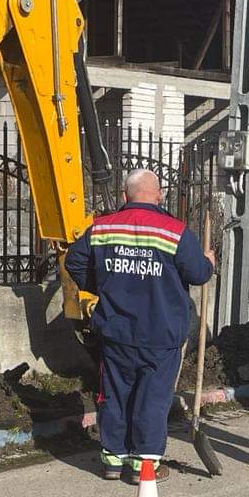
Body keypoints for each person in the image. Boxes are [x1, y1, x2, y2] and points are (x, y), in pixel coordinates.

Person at [64, 169, 214, 481]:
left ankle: (113, 459)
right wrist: (208, 261)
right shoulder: (174, 232)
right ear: (159, 196)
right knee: (153, 397)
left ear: (124, 195)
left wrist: (103, 286)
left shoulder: (102, 227)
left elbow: (74, 261)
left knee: (116, 393)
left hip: (116, 330)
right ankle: (143, 464)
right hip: (161, 332)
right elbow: (199, 274)